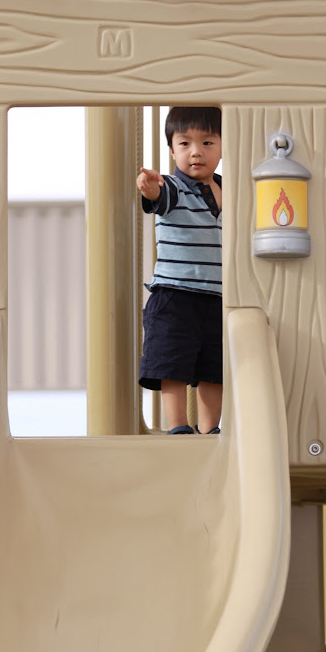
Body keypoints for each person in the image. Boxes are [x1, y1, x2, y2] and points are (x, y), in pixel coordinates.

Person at [137, 106, 222, 435]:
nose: (196, 152)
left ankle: (210, 428)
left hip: (218, 296)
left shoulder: (228, 189)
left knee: (213, 368)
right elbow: (158, 196)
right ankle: (178, 426)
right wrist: (150, 188)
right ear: (172, 150)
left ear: (222, 146)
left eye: (207, 143)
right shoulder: (173, 186)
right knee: (171, 362)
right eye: (185, 144)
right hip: (175, 294)